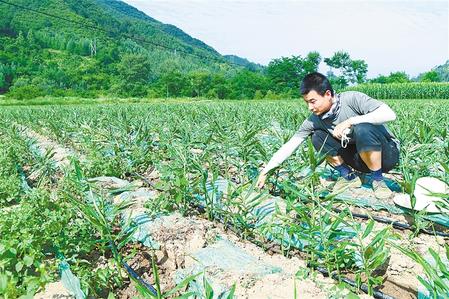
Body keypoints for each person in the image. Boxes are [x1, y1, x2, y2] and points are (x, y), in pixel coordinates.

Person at [256, 72, 400, 200]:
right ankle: (349, 177)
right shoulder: (314, 120)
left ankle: (378, 180)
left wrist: (350, 122)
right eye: (307, 103)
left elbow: (389, 114)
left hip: (386, 156)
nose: (310, 107)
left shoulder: (352, 99)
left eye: (313, 101)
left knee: (362, 128)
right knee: (317, 137)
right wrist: (266, 170)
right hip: (359, 159)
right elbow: (291, 145)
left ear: (328, 94)